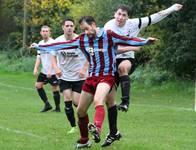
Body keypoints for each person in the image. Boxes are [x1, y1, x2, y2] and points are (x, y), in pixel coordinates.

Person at [30, 16, 157, 148]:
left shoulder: (108, 35)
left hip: (106, 77)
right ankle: (85, 140)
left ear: (94, 25)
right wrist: (40, 46)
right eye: (83, 30)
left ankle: (97, 128)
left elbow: (128, 40)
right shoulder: (83, 39)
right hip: (91, 78)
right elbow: (61, 45)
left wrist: (145, 41)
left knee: (98, 100)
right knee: (80, 111)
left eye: (86, 29)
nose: (86, 32)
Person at [104, 3, 183, 112]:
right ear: (114, 14)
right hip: (112, 59)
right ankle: (113, 129)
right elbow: (109, 47)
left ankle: (125, 102)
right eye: (119, 14)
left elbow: (154, 17)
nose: (120, 17)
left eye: (124, 15)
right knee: (109, 100)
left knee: (122, 68)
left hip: (127, 58)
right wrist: (134, 46)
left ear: (128, 17)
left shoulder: (134, 23)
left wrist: (172, 9)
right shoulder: (108, 26)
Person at [51, 18, 89, 134]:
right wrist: (56, 68)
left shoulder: (80, 40)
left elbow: (90, 55)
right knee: (67, 99)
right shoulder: (57, 41)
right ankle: (73, 126)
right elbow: (52, 56)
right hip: (64, 76)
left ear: (74, 27)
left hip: (79, 77)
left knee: (78, 104)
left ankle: (84, 124)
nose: (69, 28)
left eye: (71, 26)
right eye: (67, 26)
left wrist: (84, 68)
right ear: (63, 27)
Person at [33, 25, 61, 112]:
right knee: (38, 85)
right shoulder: (40, 43)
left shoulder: (53, 43)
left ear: (50, 32)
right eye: (43, 31)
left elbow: (55, 58)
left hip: (52, 71)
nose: (45, 33)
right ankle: (47, 104)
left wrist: (50, 70)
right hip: (44, 70)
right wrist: (36, 68)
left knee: (55, 88)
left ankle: (57, 108)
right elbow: (39, 57)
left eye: (46, 31)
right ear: (41, 33)